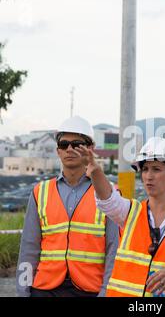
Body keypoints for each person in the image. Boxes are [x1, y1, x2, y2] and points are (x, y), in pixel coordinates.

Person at [16, 116, 118, 297]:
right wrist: (23, 291)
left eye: (77, 143)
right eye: (64, 144)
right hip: (45, 288)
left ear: (90, 149)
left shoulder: (108, 192)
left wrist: (106, 292)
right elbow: (28, 249)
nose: (69, 149)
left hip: (89, 290)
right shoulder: (40, 192)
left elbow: (114, 250)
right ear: (58, 151)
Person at [77, 137, 165, 297]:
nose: (148, 176)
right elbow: (107, 199)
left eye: (156, 169)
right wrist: (95, 170)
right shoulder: (131, 212)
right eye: (145, 169)